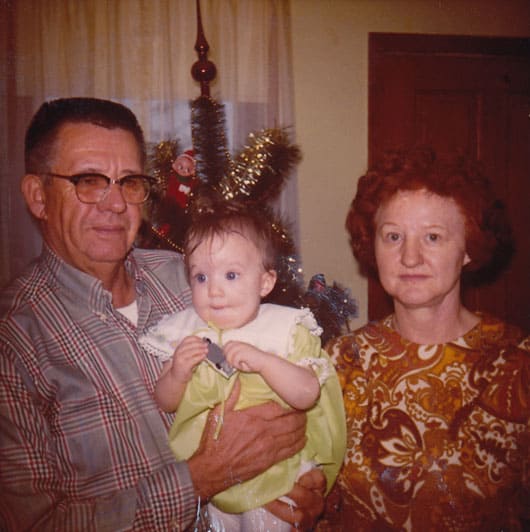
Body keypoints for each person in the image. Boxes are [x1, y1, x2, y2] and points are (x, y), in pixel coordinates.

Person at [0, 97, 327, 531]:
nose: (115, 204)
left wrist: (303, 483)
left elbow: (289, 376)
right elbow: (32, 524)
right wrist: (202, 477)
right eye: (89, 181)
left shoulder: (190, 278)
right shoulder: (15, 341)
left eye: (130, 182)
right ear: (38, 197)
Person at [318, 148, 530, 531]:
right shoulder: (338, 361)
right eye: (393, 236)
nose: (410, 257)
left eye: (433, 237)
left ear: (468, 248)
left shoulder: (518, 362)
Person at [139, 200, 346, 531]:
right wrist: (178, 372)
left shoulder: (282, 328)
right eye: (201, 277)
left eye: (231, 275)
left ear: (264, 283)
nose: (215, 290)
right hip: (213, 485)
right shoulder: (184, 330)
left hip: (276, 473)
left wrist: (265, 362)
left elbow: (307, 393)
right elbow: (165, 401)